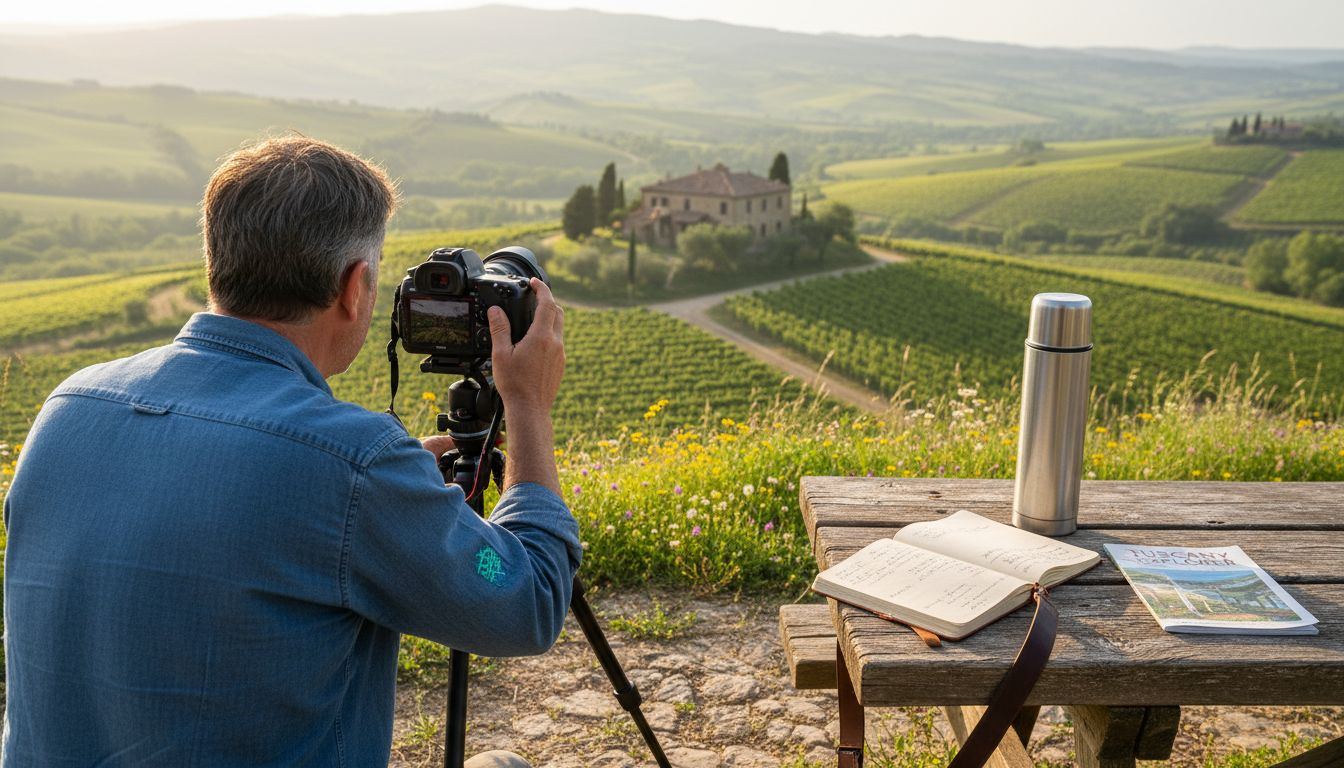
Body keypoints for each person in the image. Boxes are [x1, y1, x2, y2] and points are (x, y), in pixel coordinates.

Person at [1, 136, 577, 767]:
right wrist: (526, 407)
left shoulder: (70, 408)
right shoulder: (352, 464)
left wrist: (363, 490)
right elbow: (528, 603)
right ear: (354, 287)